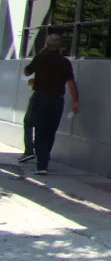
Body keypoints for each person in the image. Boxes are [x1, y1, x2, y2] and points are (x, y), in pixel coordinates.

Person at [23, 35, 79, 175]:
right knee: (50, 131)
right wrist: (75, 101)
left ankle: (41, 165)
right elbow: (71, 83)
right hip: (57, 101)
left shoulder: (40, 58)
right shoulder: (65, 62)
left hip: (40, 99)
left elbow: (27, 72)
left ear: (46, 45)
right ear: (60, 47)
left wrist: (40, 54)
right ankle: (44, 159)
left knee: (40, 131)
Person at [16, 77, 36, 163]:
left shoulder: (42, 70)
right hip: (55, 100)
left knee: (28, 123)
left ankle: (29, 151)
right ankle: (43, 153)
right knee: (44, 126)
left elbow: (29, 77)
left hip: (39, 97)